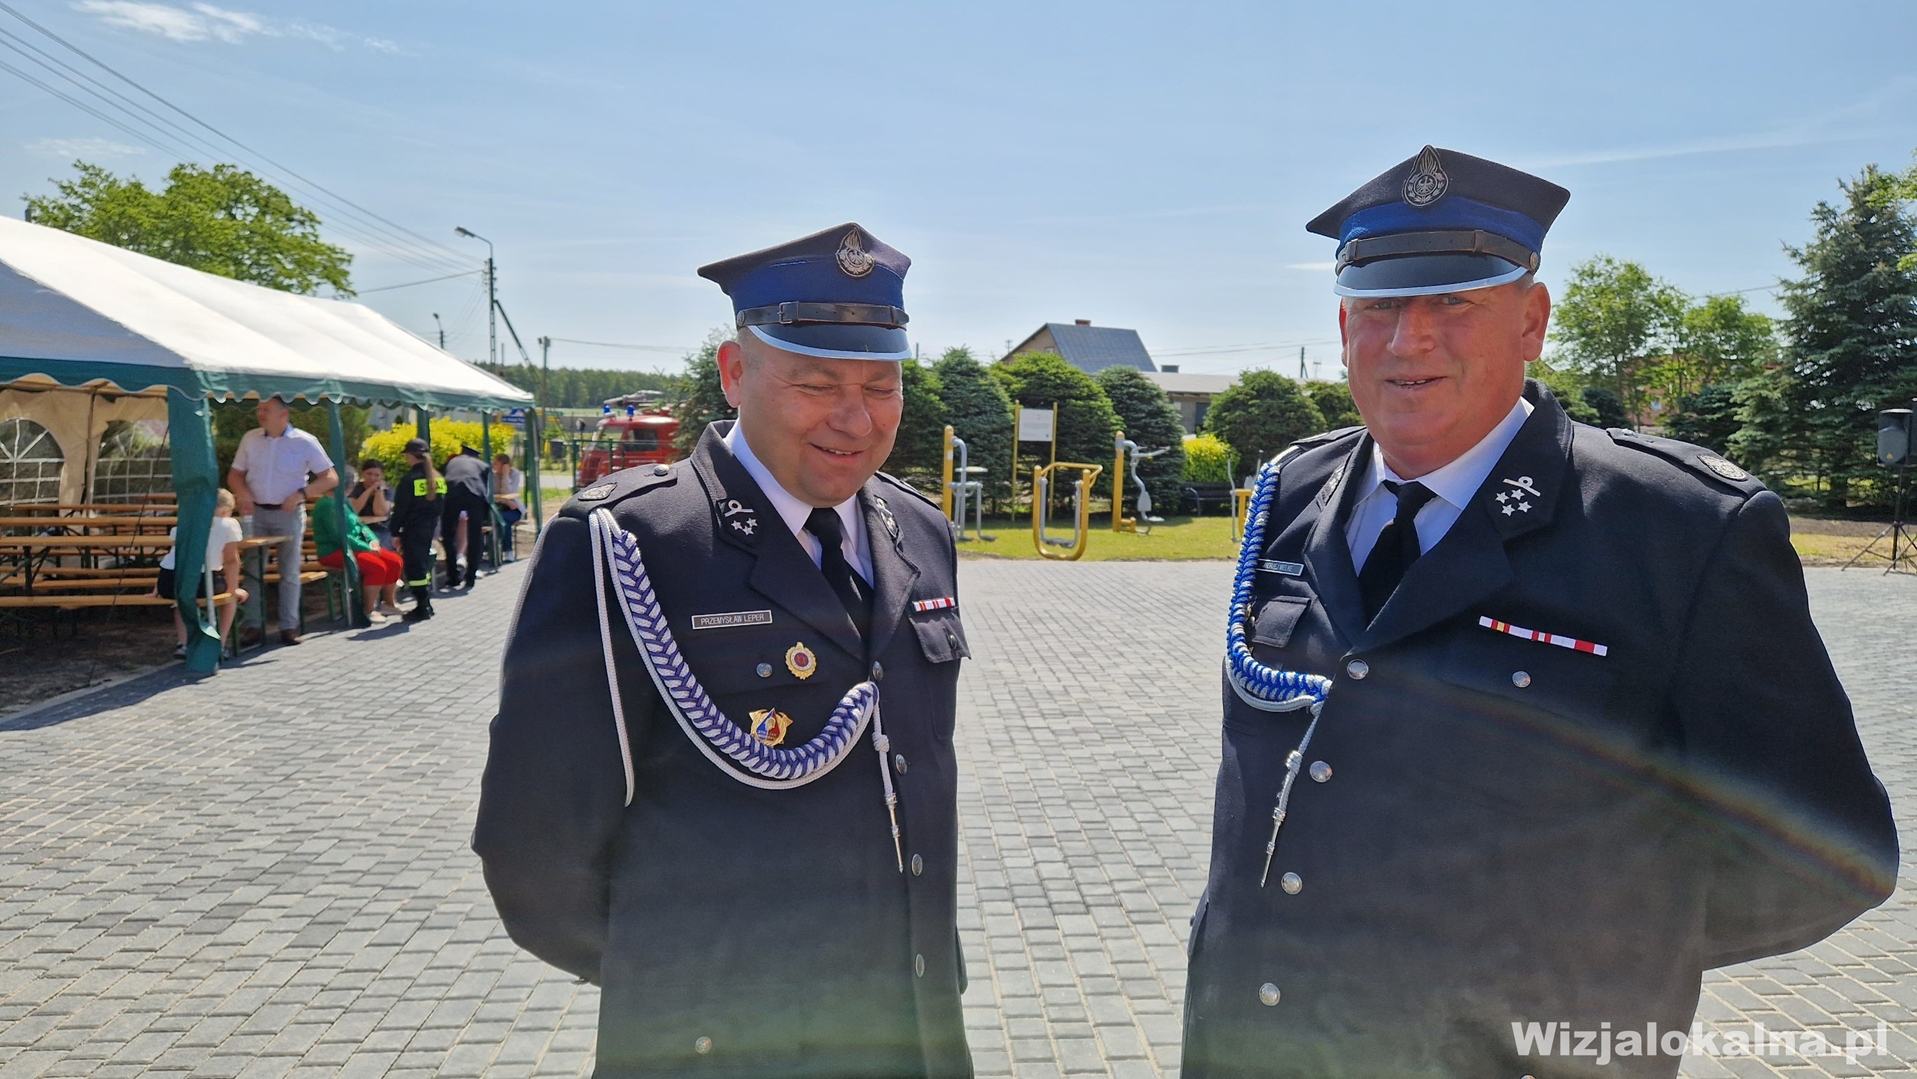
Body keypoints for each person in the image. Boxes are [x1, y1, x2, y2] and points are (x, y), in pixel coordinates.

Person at [1181, 147, 1899, 1079]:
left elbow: (1829, 853)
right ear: (1344, 323)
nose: (1408, 340)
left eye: (1453, 303)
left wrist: (1563, 958)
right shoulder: (1294, 490)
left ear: (1531, 321)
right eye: (1380, 307)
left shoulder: (1675, 527)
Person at [476, 224, 972, 1079]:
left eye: (881, 386)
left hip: (912, 1027)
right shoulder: (634, 541)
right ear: (735, 372)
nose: (855, 419)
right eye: (815, 384)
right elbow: (534, 846)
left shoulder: (918, 531)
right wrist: (691, 984)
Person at [228, 396, 338, 645]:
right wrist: (242, 494)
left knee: (289, 571)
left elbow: (331, 478)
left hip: (288, 513)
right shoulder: (250, 438)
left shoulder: (305, 441)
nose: (260, 414)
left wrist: (302, 494)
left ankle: (289, 626)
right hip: (256, 513)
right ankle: (253, 626)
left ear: (283, 414)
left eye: (266, 409)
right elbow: (235, 475)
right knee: (253, 570)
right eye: (259, 409)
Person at [154, 487, 247, 660]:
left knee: (181, 598)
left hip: (168, 581)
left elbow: (172, 557)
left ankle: (184, 644)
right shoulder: (228, 524)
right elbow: (231, 560)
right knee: (230, 598)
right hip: (201, 580)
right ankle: (219, 644)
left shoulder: (186, 521)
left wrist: (156, 589)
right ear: (225, 510)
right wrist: (233, 589)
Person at [312, 490, 405, 624]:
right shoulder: (327, 505)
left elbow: (359, 524)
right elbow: (339, 536)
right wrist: (367, 548)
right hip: (334, 551)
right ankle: (369, 609)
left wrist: (373, 540)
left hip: (355, 547)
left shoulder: (344, 500)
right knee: (377, 566)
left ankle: (389, 603)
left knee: (394, 561)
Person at [390, 438, 443, 622]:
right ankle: (425, 603)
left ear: (411, 456)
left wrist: (395, 531)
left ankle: (422, 607)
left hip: (412, 530)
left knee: (414, 569)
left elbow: (400, 509)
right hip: (429, 528)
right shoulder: (438, 478)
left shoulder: (409, 480)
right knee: (421, 566)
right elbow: (441, 506)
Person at [440, 444, 489, 588]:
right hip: (475, 496)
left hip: (453, 494)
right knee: (475, 536)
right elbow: (483, 487)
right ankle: (471, 576)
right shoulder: (483, 465)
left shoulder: (452, 462)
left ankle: (453, 576)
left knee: (448, 535)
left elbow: (442, 477)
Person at [348, 458, 396, 552]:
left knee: (381, 547)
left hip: (382, 529)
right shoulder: (355, 488)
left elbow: (380, 512)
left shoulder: (388, 490)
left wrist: (379, 490)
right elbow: (354, 510)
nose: (372, 478)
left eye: (376, 475)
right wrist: (370, 490)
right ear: (362, 473)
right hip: (360, 528)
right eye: (369, 474)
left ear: (382, 476)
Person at [492, 451, 523, 556]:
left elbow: (508, 492)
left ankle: (508, 550)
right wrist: (506, 501)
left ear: (504, 465)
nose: (493, 466)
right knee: (491, 520)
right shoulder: (493, 476)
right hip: (498, 507)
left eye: (496, 464)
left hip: (514, 509)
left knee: (504, 520)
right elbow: (492, 494)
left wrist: (505, 475)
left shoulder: (514, 474)